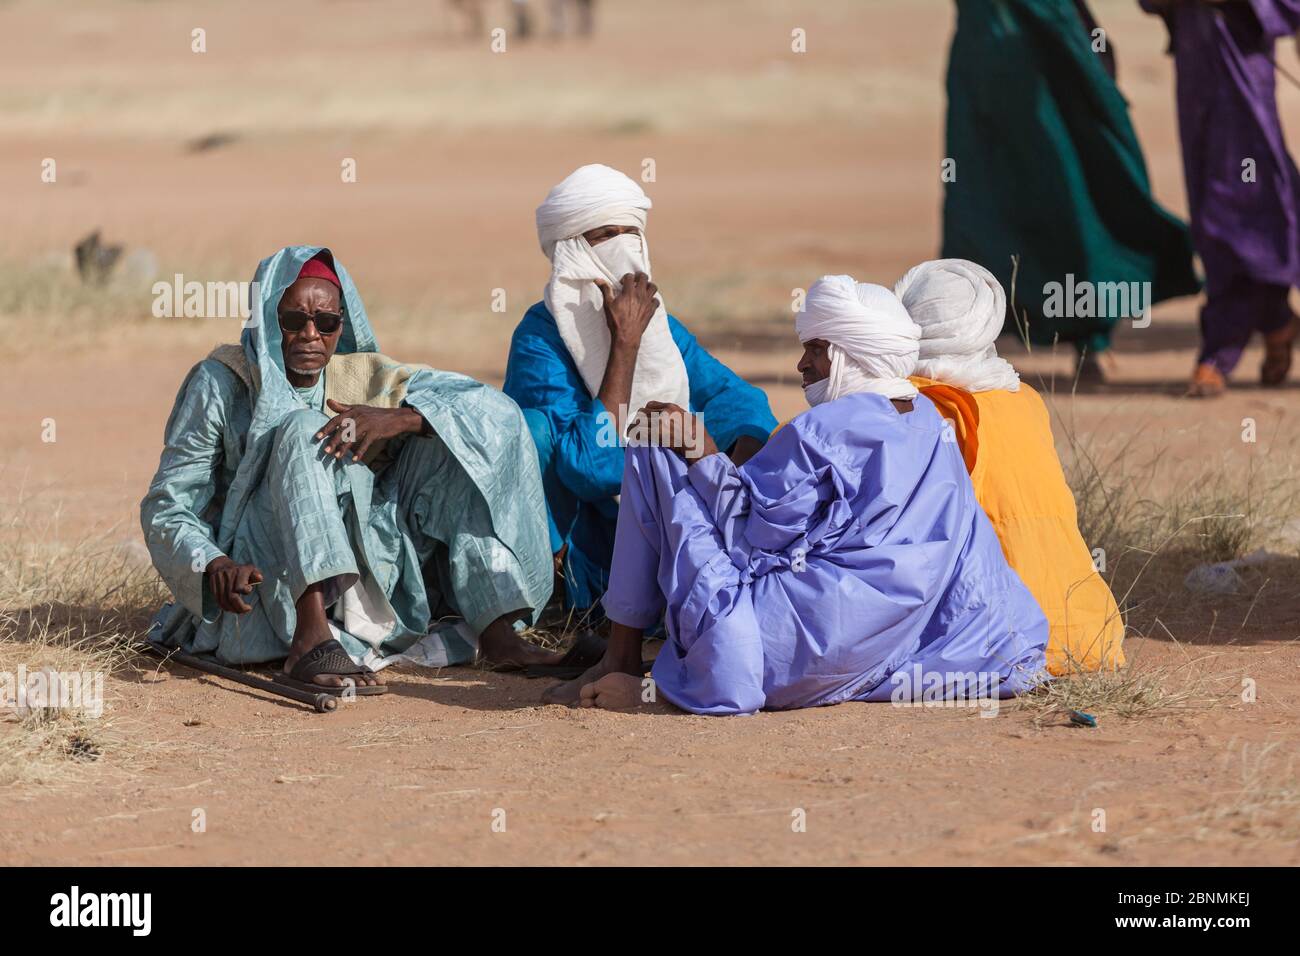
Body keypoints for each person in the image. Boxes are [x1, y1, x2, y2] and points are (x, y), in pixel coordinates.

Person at [543, 275, 1049, 714]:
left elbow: (751, 535)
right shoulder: (931, 423)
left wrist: (699, 451)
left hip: (790, 651)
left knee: (653, 447)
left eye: (815, 349)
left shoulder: (826, 428)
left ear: (850, 353)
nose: (801, 364)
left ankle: (622, 659)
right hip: (882, 643)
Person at [142, 246, 563, 695]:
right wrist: (213, 564)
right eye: (292, 321)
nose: (310, 335)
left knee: (446, 433)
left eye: (326, 323)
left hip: (371, 570)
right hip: (262, 577)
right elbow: (168, 504)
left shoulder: (361, 377)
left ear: (340, 326)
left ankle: (497, 632)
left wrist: (404, 419)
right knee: (303, 427)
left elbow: (492, 411)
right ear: (266, 320)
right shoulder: (222, 382)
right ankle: (310, 635)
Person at [503, 164, 776, 611]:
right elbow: (588, 468)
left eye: (633, 234)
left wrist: (728, 476)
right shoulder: (540, 338)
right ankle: (551, 595)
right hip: (585, 536)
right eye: (607, 235)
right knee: (530, 428)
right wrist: (624, 345)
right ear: (573, 249)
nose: (625, 248)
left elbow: (739, 401)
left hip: (659, 522)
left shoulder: (660, 327)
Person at [942, 0, 1200, 382]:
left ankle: (1092, 339)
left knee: (1075, 197)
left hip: (1053, 59)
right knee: (981, 211)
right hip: (985, 69)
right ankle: (970, 338)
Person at [896, 258, 1125, 674]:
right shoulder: (1024, 398)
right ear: (984, 324)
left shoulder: (920, 406)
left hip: (1003, 637)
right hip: (1092, 632)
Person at [1142, 0, 1300, 396]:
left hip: (1244, 67)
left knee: (1248, 203)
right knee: (1209, 205)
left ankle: (1220, 351)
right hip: (1196, 67)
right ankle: (1276, 320)